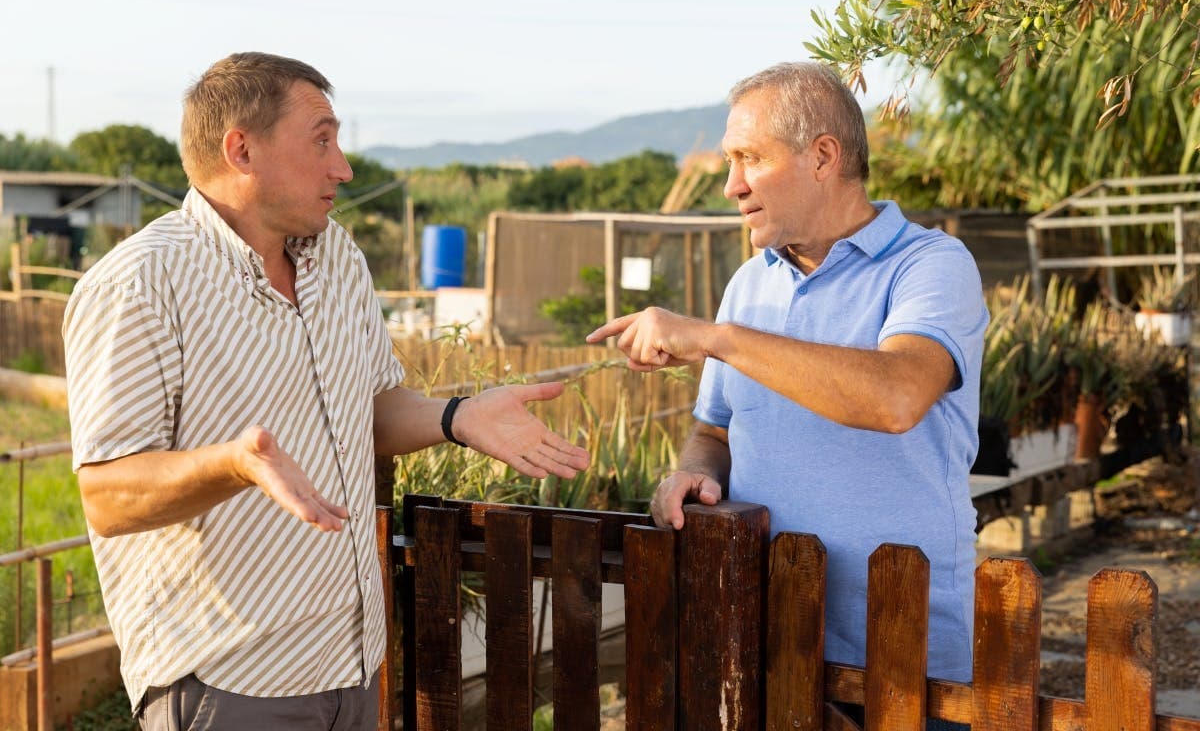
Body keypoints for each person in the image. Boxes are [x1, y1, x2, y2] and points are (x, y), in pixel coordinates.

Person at [63, 51, 589, 730]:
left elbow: (372, 410)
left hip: (350, 667)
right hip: (229, 682)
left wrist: (458, 417)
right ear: (241, 148)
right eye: (322, 140)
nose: (342, 166)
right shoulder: (138, 284)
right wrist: (234, 464)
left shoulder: (338, 257)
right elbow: (107, 496)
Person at [588, 62, 987, 698]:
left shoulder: (930, 265)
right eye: (728, 161)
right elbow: (713, 431)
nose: (730, 185)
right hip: (767, 640)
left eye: (748, 158)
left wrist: (717, 338)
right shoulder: (749, 284)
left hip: (905, 650)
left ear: (823, 156)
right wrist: (692, 471)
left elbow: (897, 396)